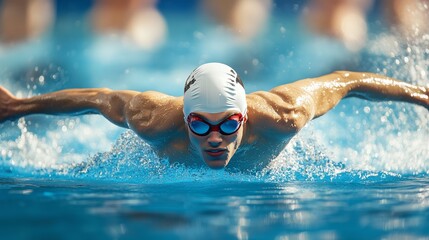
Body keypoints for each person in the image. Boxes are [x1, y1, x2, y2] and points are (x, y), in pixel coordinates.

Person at [0, 63, 428, 170]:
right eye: (200, 124)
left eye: (229, 124)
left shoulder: (285, 114)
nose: (215, 138)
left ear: (246, 120)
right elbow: (97, 97)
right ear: (185, 121)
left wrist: (422, 95)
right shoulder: (151, 119)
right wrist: (17, 108)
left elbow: (349, 80)